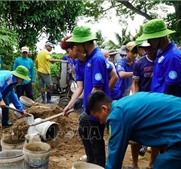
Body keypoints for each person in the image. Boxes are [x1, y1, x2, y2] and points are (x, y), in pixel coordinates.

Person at [86, 90, 181, 169]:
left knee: (162, 164)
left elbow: (114, 158)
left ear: (104, 108)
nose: (101, 122)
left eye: (98, 118)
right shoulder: (124, 104)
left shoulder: (117, 116)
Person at [64, 26, 110, 167]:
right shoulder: (89, 59)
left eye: (77, 45)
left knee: (95, 140)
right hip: (90, 109)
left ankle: (99, 165)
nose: (76, 48)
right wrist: (71, 103)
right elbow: (81, 87)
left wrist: (87, 108)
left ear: (84, 43)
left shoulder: (97, 59)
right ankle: (91, 163)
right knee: (86, 134)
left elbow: (97, 89)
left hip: (96, 110)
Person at [131, 40, 159, 169]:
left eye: (150, 47)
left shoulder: (161, 60)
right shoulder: (139, 63)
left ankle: (152, 164)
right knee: (136, 133)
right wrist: (136, 100)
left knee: (156, 134)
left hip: (157, 103)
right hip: (143, 103)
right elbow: (136, 83)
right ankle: (135, 164)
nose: (148, 50)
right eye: (145, 48)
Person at [138, 18, 181, 97]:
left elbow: (171, 89)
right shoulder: (161, 53)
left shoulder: (172, 57)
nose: (148, 42)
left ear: (161, 37)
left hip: (165, 104)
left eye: (150, 39)